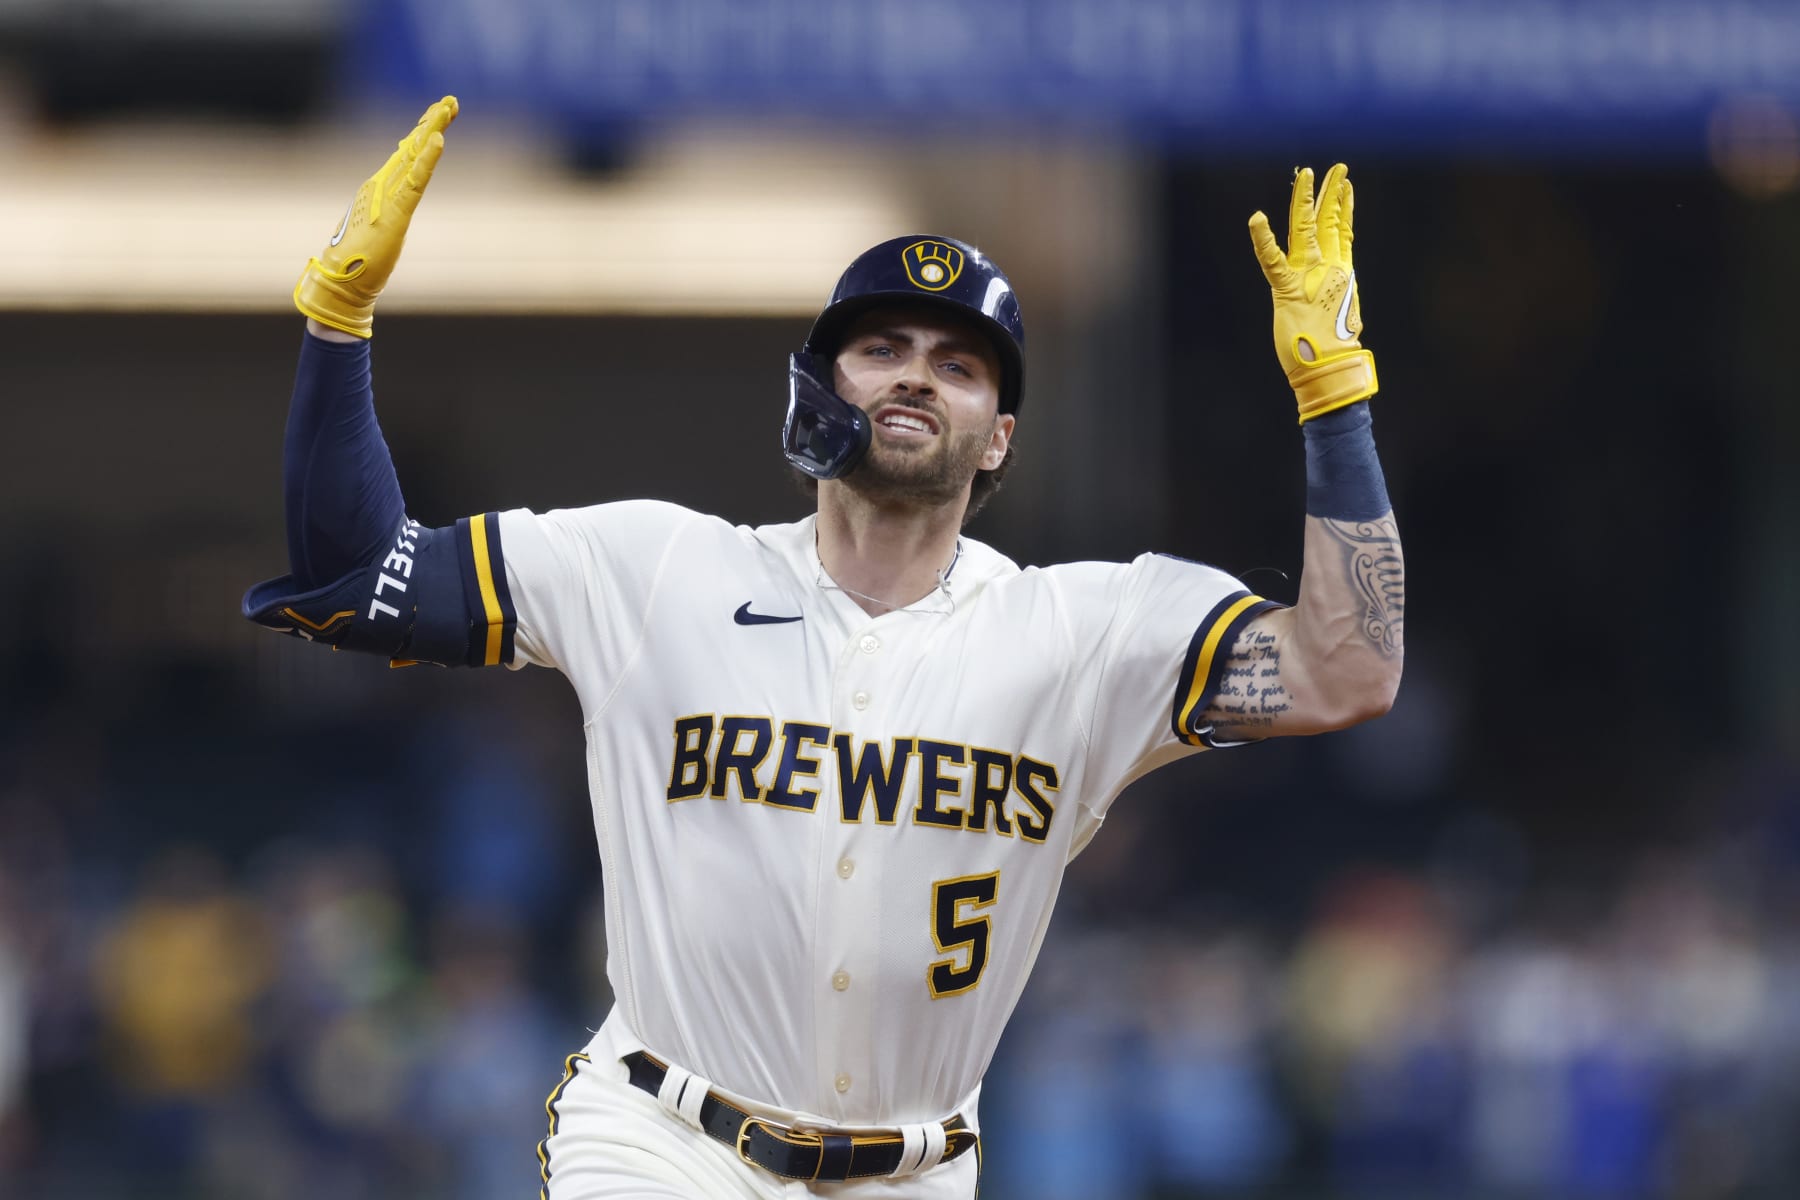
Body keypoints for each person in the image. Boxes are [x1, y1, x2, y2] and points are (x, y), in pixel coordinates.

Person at [244, 96, 1405, 1199]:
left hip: (918, 1166)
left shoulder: (1086, 633)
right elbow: (361, 584)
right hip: (662, 1140)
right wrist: (336, 327)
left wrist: (1334, 402)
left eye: (958, 365)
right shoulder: (658, 570)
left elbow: (1348, 670)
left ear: (998, 438)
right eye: (881, 346)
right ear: (819, 386)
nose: (915, 373)